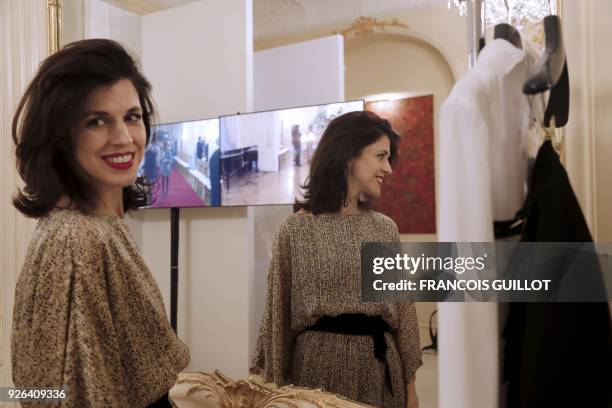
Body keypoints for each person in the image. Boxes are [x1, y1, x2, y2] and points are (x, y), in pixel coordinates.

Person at [11, 39, 189, 407]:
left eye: (132, 117)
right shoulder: (78, 241)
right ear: (61, 137)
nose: (124, 138)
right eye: (97, 121)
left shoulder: (100, 226)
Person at [251, 111, 422, 408]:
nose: (388, 169)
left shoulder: (383, 229)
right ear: (349, 156)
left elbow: (404, 316)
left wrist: (411, 388)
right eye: (381, 156)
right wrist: (273, 391)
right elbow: (277, 318)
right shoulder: (295, 230)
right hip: (315, 373)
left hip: (378, 369)